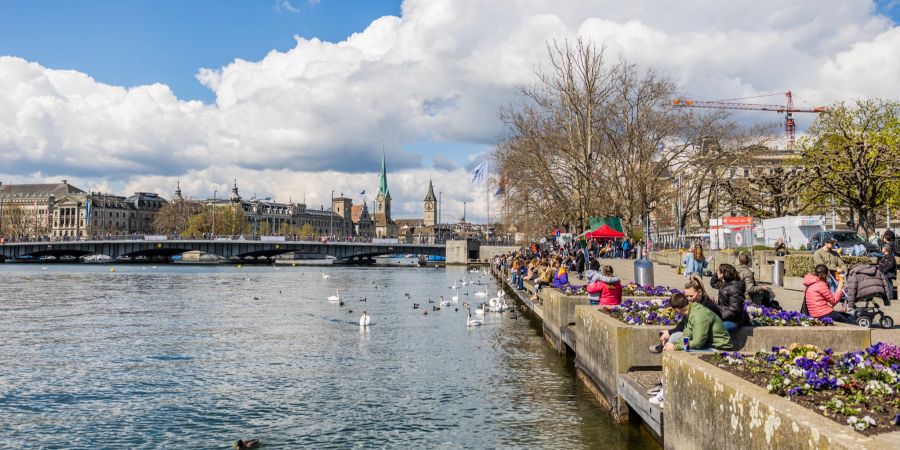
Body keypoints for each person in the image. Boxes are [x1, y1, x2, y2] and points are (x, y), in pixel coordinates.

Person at [650, 276, 721, 353]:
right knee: (675, 338)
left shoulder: (704, 309)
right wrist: (672, 336)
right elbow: (686, 329)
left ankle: (665, 349)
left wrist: (675, 346)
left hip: (711, 343)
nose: (688, 299)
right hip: (700, 336)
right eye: (686, 296)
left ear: (700, 292)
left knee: (679, 345)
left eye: (691, 296)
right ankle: (665, 347)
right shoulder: (694, 305)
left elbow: (698, 341)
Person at [663, 293, 733, 352]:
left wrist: (675, 347)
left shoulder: (698, 316)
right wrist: (673, 344)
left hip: (719, 348)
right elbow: (687, 335)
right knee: (674, 340)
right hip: (708, 345)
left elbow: (698, 343)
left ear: (677, 310)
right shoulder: (688, 311)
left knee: (681, 351)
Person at [709, 263, 748, 332]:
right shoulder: (725, 284)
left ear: (723, 274)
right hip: (725, 317)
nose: (716, 272)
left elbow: (734, 309)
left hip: (733, 321)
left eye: (718, 271)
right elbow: (713, 283)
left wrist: (719, 316)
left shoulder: (733, 288)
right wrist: (718, 271)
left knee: (711, 329)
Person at [878, 232, 896, 303]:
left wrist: (884, 270)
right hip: (886, 271)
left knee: (889, 283)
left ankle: (891, 295)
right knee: (887, 283)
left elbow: (890, 264)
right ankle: (888, 295)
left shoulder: (888, 248)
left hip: (889, 272)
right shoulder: (886, 254)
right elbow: (883, 263)